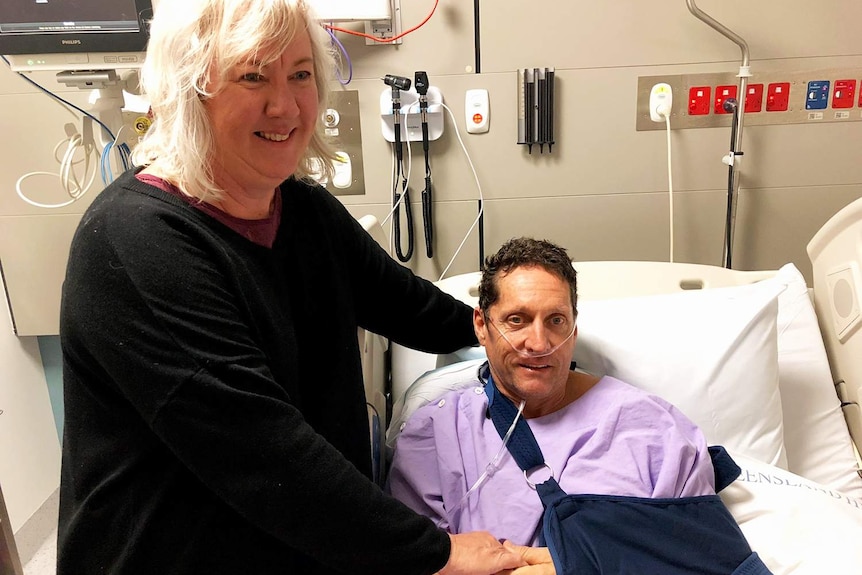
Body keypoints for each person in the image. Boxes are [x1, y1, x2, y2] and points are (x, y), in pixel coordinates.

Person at [57, 1, 535, 574]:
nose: (284, 105)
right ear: (186, 92)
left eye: (301, 74)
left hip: (300, 540)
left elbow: (408, 305)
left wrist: (511, 331)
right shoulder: (137, 243)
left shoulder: (303, 213)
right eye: (252, 75)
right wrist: (438, 551)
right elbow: (260, 454)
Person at [386, 237, 719, 564]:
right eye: (517, 319)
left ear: (573, 331)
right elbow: (411, 562)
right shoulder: (436, 436)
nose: (539, 342)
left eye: (556, 321)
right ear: (482, 326)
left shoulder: (657, 431)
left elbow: (705, 558)